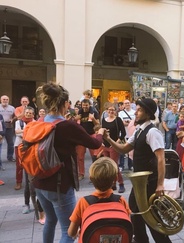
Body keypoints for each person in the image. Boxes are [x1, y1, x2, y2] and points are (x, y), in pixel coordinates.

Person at [33, 82, 105, 243]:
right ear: (65, 104)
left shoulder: (40, 122)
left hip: (38, 181)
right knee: (69, 231)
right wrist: (99, 132)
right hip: (60, 184)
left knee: (50, 221)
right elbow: (94, 144)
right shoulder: (68, 126)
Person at [102, 98, 171, 243]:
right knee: (135, 214)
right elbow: (124, 148)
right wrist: (108, 139)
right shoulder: (139, 130)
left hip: (150, 184)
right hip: (140, 184)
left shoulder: (153, 132)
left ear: (147, 113)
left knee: (153, 221)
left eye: (139, 110)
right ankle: (140, 239)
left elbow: (161, 159)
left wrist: (160, 184)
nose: (136, 113)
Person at [68, 157, 131, 239]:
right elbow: (127, 225)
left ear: (91, 179)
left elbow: (71, 232)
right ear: (115, 179)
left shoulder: (83, 202)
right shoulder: (121, 200)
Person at [101, 104, 126, 193]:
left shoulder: (118, 120)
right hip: (105, 145)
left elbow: (123, 133)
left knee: (114, 165)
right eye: (109, 110)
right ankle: (112, 184)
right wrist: (102, 142)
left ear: (115, 111)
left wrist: (116, 143)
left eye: (113, 110)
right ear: (106, 111)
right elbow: (102, 132)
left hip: (113, 146)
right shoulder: (104, 120)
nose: (111, 111)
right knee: (108, 166)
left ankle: (121, 183)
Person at [75, 99, 100, 180]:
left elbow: (98, 124)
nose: (85, 107)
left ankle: (94, 173)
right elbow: (75, 124)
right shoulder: (79, 112)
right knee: (80, 157)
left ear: (89, 105)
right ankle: (81, 173)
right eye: (83, 105)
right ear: (81, 105)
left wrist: (93, 119)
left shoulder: (94, 112)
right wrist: (75, 119)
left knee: (94, 156)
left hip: (91, 135)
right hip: (81, 136)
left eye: (86, 105)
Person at [14, 106, 35, 190]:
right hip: (19, 144)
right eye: (27, 113)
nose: (28, 114)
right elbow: (17, 132)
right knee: (19, 165)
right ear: (24, 113)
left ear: (33, 114)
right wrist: (28, 131)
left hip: (30, 145)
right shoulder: (18, 122)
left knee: (31, 163)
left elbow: (34, 134)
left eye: (30, 113)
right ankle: (18, 182)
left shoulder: (35, 122)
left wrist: (23, 131)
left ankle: (32, 181)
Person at [0, 95, 16, 162]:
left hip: (9, 126)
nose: (5, 101)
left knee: (10, 143)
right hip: (0, 128)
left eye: (6, 99)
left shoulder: (12, 108)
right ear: (1, 100)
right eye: (4, 99)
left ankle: (10, 157)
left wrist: (12, 119)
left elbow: (15, 116)